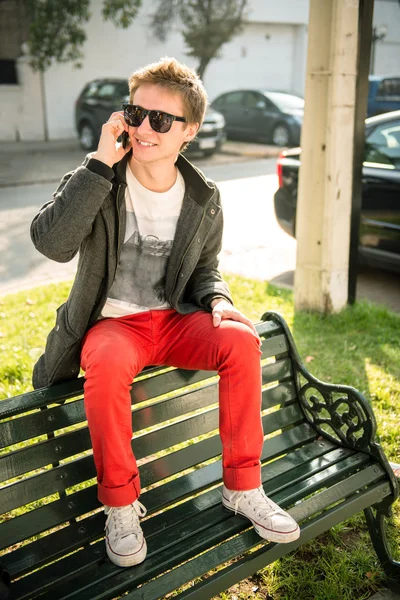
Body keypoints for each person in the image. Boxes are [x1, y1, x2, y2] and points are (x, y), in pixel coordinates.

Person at [31, 57, 300, 568]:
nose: (143, 128)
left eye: (161, 120)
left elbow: (205, 271)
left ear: (190, 131)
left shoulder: (203, 196)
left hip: (174, 322)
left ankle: (244, 487)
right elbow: (51, 244)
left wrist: (219, 300)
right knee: (106, 364)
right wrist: (97, 164)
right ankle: (120, 504)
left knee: (242, 341)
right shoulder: (98, 179)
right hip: (115, 326)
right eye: (135, 113)